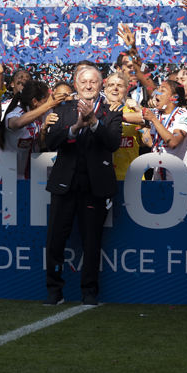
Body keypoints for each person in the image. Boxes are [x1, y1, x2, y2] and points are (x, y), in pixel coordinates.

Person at [42, 65, 122, 307]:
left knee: (92, 242)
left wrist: (95, 122)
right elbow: (50, 141)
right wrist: (74, 129)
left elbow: (113, 143)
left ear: (101, 85)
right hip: (64, 185)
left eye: (93, 82)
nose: (88, 86)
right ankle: (54, 291)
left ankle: (89, 292)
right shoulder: (62, 111)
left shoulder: (112, 113)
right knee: (55, 240)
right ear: (76, 85)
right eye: (84, 82)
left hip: (94, 187)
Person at [127, 81, 187, 182]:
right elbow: (125, 117)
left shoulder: (184, 115)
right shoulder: (155, 113)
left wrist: (154, 120)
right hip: (159, 179)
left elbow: (173, 142)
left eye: (162, 90)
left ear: (174, 97)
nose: (157, 92)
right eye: (158, 89)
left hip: (182, 179)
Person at [0, 79, 58, 178]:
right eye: (45, 102)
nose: (48, 107)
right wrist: (48, 105)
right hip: (9, 178)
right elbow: (17, 123)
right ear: (34, 101)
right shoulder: (16, 113)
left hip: (33, 176)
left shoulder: (44, 114)